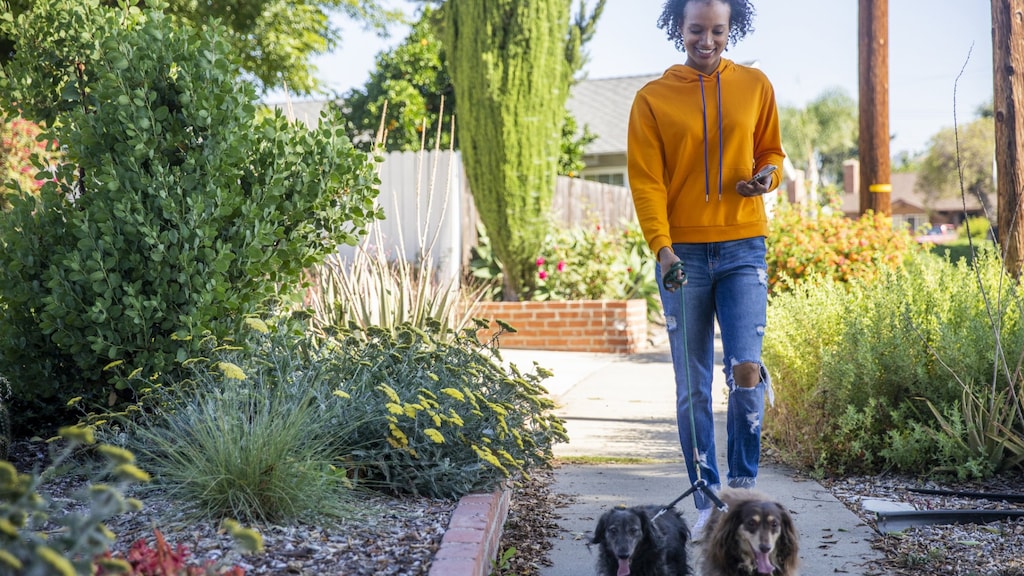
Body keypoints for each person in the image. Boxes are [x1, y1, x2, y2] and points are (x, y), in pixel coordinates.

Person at [626, 0, 784, 536]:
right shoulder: (652, 99)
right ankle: (705, 501)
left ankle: (741, 493)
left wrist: (766, 176)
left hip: (744, 247)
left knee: (745, 368)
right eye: (697, 30)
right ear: (679, 28)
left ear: (731, 28)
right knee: (691, 385)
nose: (708, 40)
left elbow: (773, 152)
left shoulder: (756, 85)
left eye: (718, 30)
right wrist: (663, 248)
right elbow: (647, 181)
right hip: (683, 256)